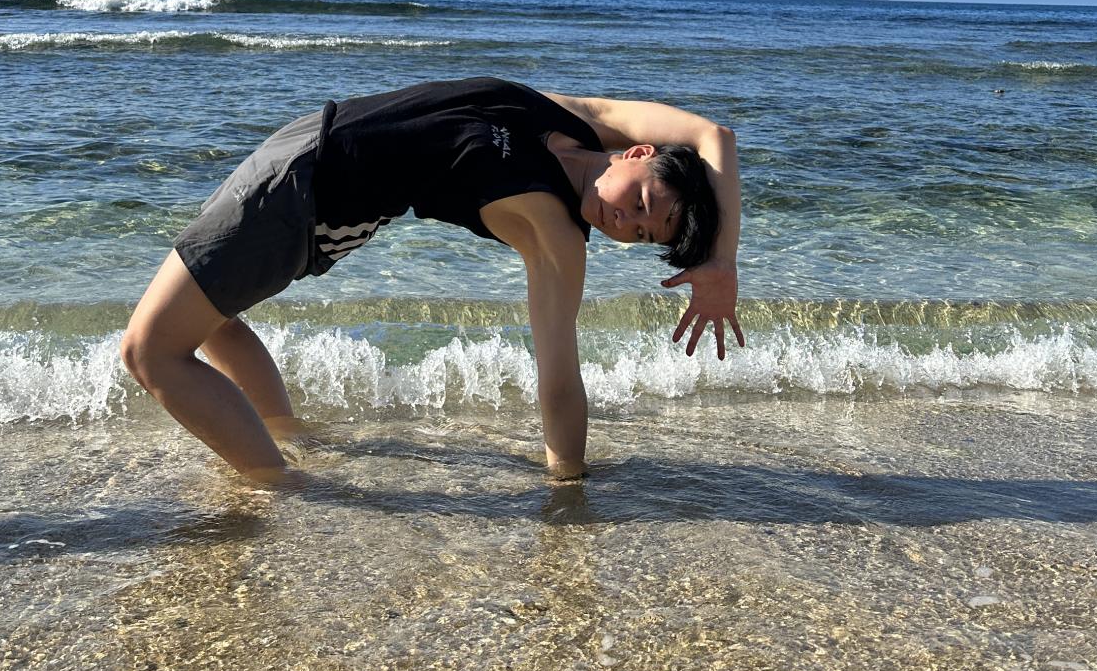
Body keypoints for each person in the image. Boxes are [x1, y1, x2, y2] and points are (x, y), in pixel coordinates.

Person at [119, 76, 743, 488]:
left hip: (307, 200)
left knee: (150, 351)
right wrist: (723, 263)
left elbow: (558, 375)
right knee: (212, 320)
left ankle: (278, 487)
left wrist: (568, 487)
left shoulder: (554, 232)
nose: (625, 222)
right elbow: (715, 135)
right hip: (304, 144)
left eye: (641, 235)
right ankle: (285, 436)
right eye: (643, 203)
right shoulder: (580, 119)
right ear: (637, 154)